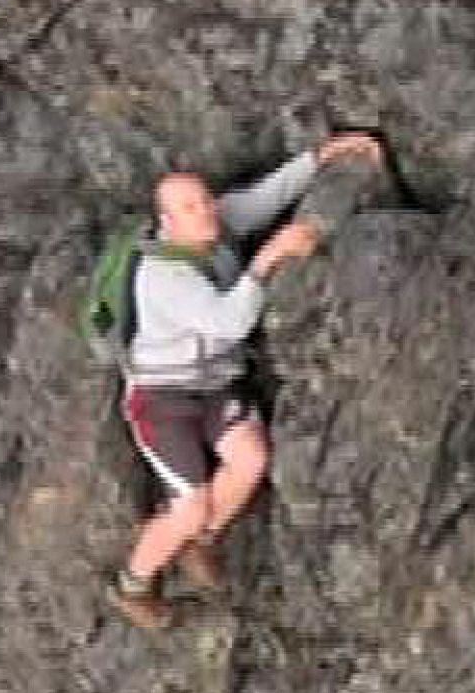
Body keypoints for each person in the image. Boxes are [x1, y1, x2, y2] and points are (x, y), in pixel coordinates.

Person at [111, 132, 382, 629]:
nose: (205, 211)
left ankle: (200, 539)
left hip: (215, 385)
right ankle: (134, 582)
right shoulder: (163, 275)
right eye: (189, 208)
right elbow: (228, 323)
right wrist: (269, 256)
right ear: (167, 222)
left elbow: (268, 195)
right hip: (162, 398)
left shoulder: (218, 224)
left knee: (251, 459)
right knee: (188, 506)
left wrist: (327, 154)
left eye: (205, 200)